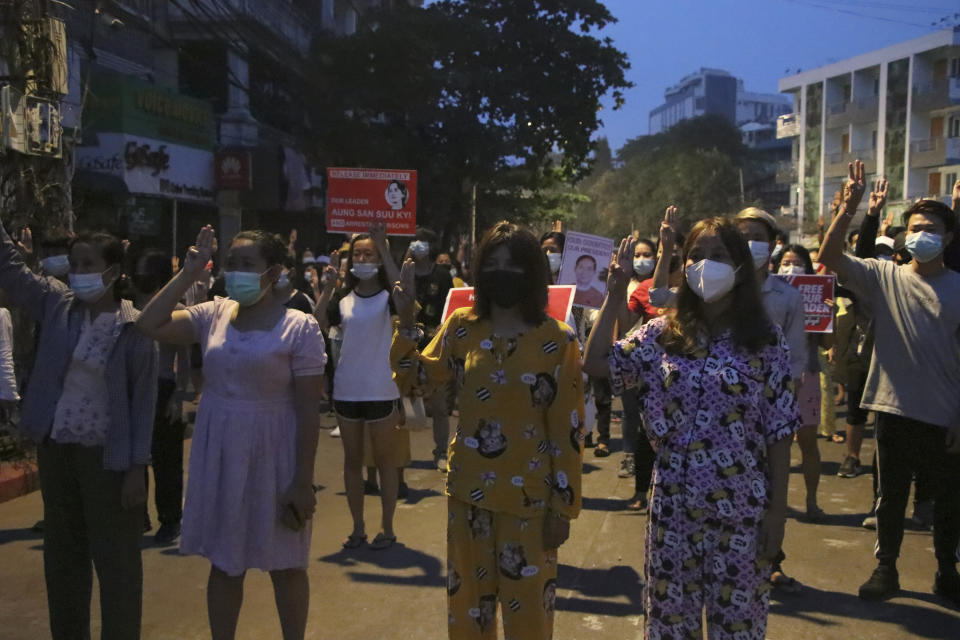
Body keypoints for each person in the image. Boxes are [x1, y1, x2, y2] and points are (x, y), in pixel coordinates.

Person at [583, 219, 799, 640]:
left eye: (718, 256)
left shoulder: (765, 339)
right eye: (697, 256)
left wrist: (778, 512)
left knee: (737, 628)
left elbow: (780, 430)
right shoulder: (662, 333)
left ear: (739, 266)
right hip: (673, 509)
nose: (705, 265)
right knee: (670, 626)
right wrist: (614, 293)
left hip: (741, 509)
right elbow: (596, 364)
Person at [392, 221, 584, 640]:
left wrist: (563, 507)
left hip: (531, 503)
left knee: (529, 621)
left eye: (513, 265)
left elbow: (567, 430)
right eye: (492, 264)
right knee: (468, 619)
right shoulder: (462, 326)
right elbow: (417, 382)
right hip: (468, 495)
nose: (502, 273)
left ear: (532, 273)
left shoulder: (558, 340)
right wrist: (406, 321)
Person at [137, 226, 327, 640]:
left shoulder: (300, 327)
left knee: (287, 563)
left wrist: (302, 481)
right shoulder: (212, 313)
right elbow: (149, 323)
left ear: (272, 271)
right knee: (225, 563)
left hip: (277, 453)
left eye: (247, 264)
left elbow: (309, 410)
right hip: (221, 451)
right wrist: (187, 275)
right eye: (231, 263)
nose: (236, 272)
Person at [0, 221, 158, 640]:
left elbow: (144, 407)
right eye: (74, 264)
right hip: (58, 449)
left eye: (88, 264)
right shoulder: (57, 304)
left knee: (118, 566)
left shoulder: (136, 328)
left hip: (109, 458)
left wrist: (136, 469)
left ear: (114, 271)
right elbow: (12, 271)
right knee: (63, 561)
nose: (77, 272)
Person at [819, 160, 960, 606]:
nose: (922, 234)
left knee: (949, 503)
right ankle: (887, 568)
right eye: (915, 227)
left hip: (946, 415)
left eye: (932, 227)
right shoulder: (885, 277)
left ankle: (946, 571)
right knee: (890, 496)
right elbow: (829, 258)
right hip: (894, 409)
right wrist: (850, 210)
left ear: (949, 238)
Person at [314, 225, 406, 550]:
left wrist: (386, 250)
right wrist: (327, 288)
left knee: (385, 462)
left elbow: (406, 302)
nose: (363, 258)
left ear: (379, 259)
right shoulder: (343, 298)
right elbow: (318, 325)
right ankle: (357, 529)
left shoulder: (387, 298)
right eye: (358, 253)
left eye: (370, 254)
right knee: (352, 462)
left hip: (381, 390)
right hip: (347, 390)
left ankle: (388, 528)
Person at [735, 208, 822, 523]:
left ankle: (771, 557)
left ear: (772, 245)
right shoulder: (718, 290)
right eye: (743, 238)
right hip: (725, 401)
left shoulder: (788, 297)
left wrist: (787, 397)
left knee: (771, 476)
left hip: (771, 401)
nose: (750, 244)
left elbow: (796, 354)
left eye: (757, 238)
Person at [131, 248, 190, 546]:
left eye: (147, 275)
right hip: (131, 390)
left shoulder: (176, 308)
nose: (141, 281)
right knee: (133, 458)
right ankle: (136, 515)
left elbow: (185, 357)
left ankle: (170, 520)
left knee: (166, 460)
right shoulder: (124, 308)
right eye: (138, 274)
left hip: (163, 388)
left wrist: (179, 395)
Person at [409, 227, 454, 471]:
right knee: (406, 400)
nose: (418, 244)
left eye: (423, 241)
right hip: (408, 345)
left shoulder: (443, 275)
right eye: (414, 240)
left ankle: (441, 452)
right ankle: (401, 454)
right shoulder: (405, 273)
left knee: (439, 404)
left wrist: (442, 328)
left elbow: (451, 308)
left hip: (436, 346)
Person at [615, 236, 657, 486]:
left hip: (659, 364)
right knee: (631, 412)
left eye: (647, 255)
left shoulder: (663, 287)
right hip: (631, 357)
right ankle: (630, 457)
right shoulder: (634, 288)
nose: (642, 261)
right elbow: (622, 321)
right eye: (636, 256)